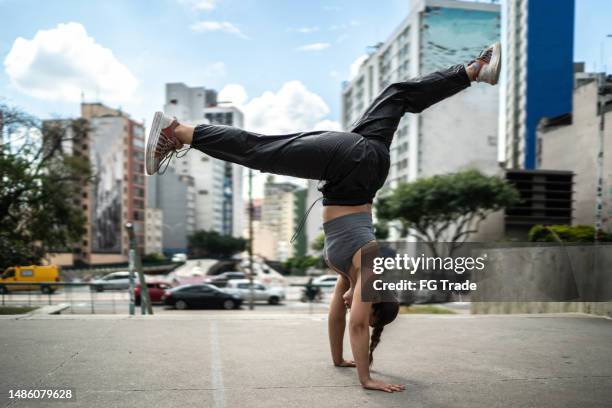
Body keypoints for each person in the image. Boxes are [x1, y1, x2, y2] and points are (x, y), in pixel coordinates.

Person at [145, 43, 501, 393]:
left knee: (397, 95)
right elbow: (358, 327)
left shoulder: (351, 272)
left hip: (365, 162)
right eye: (361, 306)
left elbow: (338, 319)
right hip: (351, 167)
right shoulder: (371, 272)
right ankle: (177, 131)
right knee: (261, 151)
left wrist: (339, 359)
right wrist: (367, 379)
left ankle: (472, 71)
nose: (350, 306)